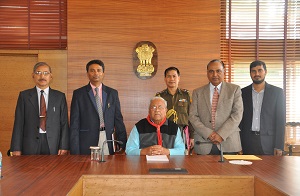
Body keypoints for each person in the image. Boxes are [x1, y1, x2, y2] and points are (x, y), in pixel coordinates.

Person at [10, 62, 69, 155]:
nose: (42, 76)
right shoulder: (24, 96)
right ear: (33, 76)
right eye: (38, 73)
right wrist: (16, 148)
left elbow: (64, 123)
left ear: (51, 76)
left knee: (52, 169)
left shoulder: (59, 97)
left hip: (53, 143)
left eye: (46, 73)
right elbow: (18, 123)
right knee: (30, 169)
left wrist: (64, 145)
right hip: (29, 143)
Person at [70, 59, 127, 155]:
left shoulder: (112, 93)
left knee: (108, 167)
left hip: (108, 138)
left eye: (99, 70)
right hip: (86, 140)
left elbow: (118, 119)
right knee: (87, 168)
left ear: (103, 73)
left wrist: (122, 142)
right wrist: (74, 148)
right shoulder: (79, 94)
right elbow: (74, 123)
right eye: (92, 70)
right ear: (87, 74)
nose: (96, 73)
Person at [189, 59, 243, 155]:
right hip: (203, 142)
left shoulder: (234, 90)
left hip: (228, 142)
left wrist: (221, 134)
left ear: (224, 72)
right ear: (207, 73)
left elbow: (237, 115)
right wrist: (208, 134)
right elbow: (193, 116)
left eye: (218, 71)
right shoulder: (197, 92)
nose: (214, 75)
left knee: (229, 170)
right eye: (211, 71)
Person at [239, 60, 286, 155]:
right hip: (247, 142)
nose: (257, 74)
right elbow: (239, 120)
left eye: (260, 70)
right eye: (253, 71)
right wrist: (237, 144)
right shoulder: (242, 93)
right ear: (250, 73)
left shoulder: (277, 92)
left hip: (269, 143)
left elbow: (280, 121)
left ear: (265, 72)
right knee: (247, 169)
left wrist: (279, 146)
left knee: (269, 170)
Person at [155, 67, 194, 154]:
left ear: (178, 78)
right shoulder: (159, 96)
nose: (171, 79)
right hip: (165, 132)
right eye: (169, 76)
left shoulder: (186, 95)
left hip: (182, 132)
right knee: (165, 156)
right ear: (165, 79)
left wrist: (192, 136)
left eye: (174, 76)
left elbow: (191, 117)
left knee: (181, 158)